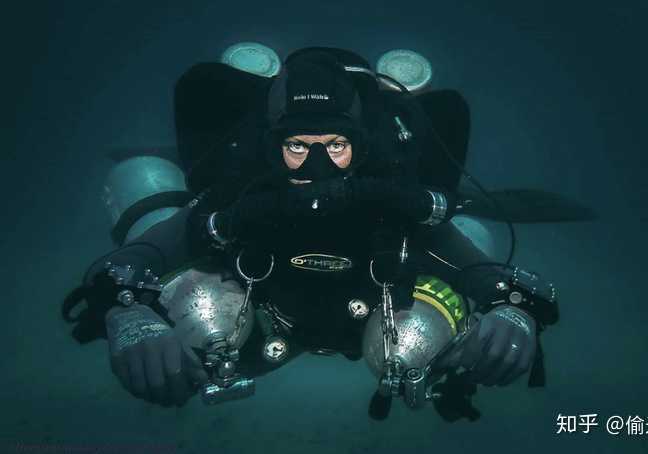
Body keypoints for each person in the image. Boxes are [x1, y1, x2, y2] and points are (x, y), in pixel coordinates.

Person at [71, 47, 557, 409]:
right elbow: (140, 257)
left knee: (454, 256)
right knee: (195, 305)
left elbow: (482, 271)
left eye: (336, 145)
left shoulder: (393, 205)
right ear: (273, 148)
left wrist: (513, 312)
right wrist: (128, 314)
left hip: (376, 332)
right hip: (257, 330)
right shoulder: (239, 200)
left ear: (361, 148)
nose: (318, 163)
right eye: (298, 147)